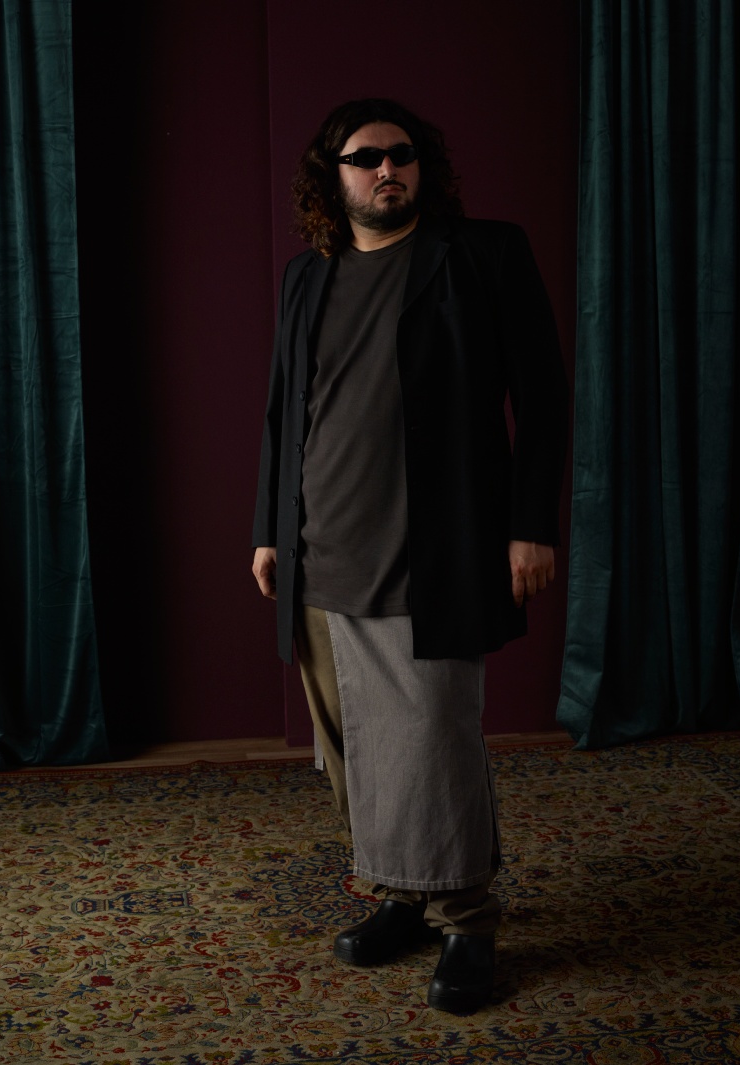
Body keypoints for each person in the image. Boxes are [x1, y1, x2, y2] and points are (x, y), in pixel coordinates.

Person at [252, 98, 567, 1014]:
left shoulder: (483, 254)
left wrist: (531, 524)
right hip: (322, 547)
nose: (386, 169)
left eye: (402, 154)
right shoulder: (306, 275)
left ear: (423, 166)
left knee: (433, 742)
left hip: (435, 548)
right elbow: (283, 408)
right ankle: (401, 895)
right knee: (353, 743)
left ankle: (467, 920)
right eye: (365, 158)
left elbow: (542, 395)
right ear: (333, 176)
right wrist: (269, 528)